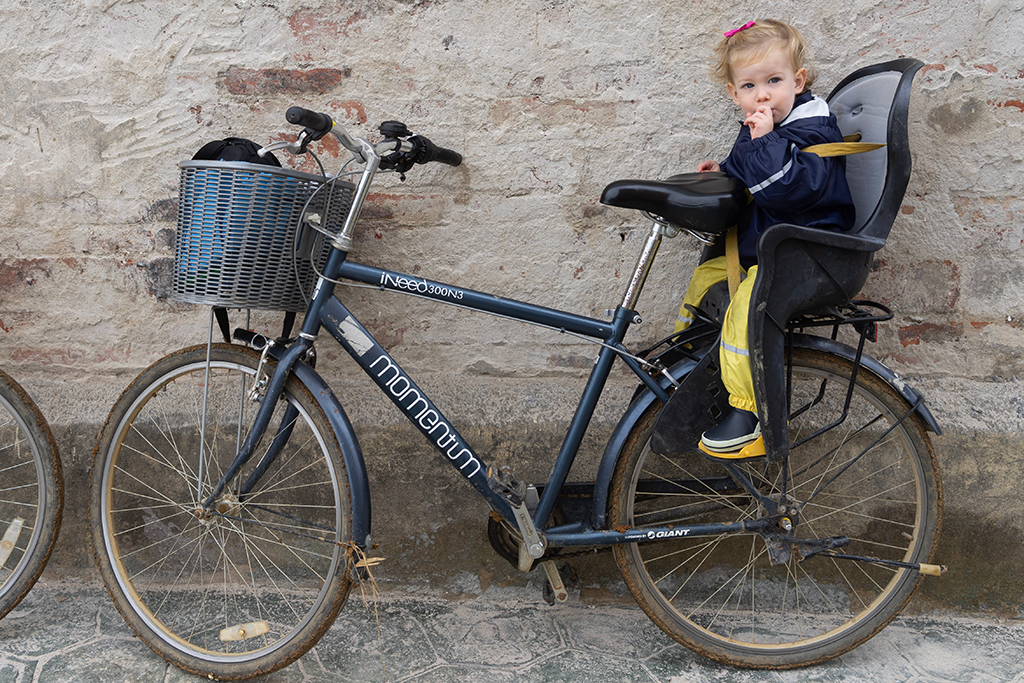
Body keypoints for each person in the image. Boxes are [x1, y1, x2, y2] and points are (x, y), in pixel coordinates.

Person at [675, 19, 856, 457]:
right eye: (750, 86)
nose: (762, 94)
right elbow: (753, 176)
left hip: (809, 252)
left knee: (746, 309)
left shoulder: (812, 129)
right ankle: (689, 361)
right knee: (707, 276)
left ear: (798, 81)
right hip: (772, 246)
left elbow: (790, 190)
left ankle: (748, 413)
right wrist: (724, 171)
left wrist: (764, 141)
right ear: (734, 94)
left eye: (774, 81)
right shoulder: (765, 128)